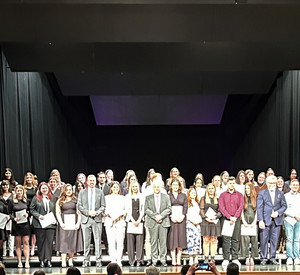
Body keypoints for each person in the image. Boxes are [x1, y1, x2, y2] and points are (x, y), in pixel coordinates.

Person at [257, 175, 287, 265]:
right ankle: (263, 258)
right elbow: (259, 207)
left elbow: (284, 206)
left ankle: (273, 258)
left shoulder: (280, 193)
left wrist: (278, 213)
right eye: (270, 183)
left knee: (274, 240)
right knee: (263, 240)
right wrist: (260, 220)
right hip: (265, 220)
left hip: (276, 220)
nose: (272, 185)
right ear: (267, 183)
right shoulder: (262, 193)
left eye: (274, 183)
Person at [77, 174, 105, 268]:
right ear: (87, 182)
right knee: (86, 241)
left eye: (93, 180)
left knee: (98, 241)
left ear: (95, 181)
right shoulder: (82, 192)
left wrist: (97, 212)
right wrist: (88, 213)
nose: (92, 182)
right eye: (90, 181)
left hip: (97, 219)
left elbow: (103, 206)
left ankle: (98, 260)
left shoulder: (100, 192)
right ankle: (86, 260)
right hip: (86, 219)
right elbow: (79, 205)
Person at [144, 173, 171, 267]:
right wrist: (155, 216)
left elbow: (169, 208)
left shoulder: (166, 196)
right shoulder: (148, 197)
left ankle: (163, 260)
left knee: (163, 242)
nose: (156, 188)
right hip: (152, 222)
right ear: (153, 187)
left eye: (158, 187)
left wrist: (161, 216)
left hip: (163, 222)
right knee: (153, 242)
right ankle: (154, 260)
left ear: (161, 187)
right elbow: (146, 209)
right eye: (155, 187)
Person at [219, 176, 244, 270]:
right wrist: (229, 217)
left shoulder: (239, 195)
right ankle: (226, 258)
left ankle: (235, 258)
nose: (232, 185)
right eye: (230, 183)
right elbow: (222, 208)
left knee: (235, 239)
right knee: (226, 240)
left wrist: (235, 217)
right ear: (227, 184)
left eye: (233, 183)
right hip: (226, 219)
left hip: (236, 219)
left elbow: (240, 206)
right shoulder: (222, 195)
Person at [56, 184, 83, 267]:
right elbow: (58, 212)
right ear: (64, 190)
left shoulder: (76, 200)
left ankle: (70, 259)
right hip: (64, 223)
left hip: (73, 223)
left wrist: (78, 223)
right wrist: (61, 223)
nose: (68, 191)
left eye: (70, 189)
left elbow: (79, 213)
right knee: (64, 241)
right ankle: (63, 260)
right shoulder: (60, 200)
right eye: (67, 189)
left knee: (72, 241)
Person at [30, 182, 56, 267]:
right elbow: (32, 210)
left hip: (50, 224)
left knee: (49, 243)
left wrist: (55, 219)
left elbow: (56, 210)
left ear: (48, 188)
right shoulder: (36, 198)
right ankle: (41, 260)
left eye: (46, 188)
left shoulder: (53, 198)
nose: (44, 190)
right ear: (40, 189)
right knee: (40, 243)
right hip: (39, 224)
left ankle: (48, 260)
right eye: (43, 188)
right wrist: (39, 216)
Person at [8, 185, 30, 268]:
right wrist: (14, 219)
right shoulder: (12, 201)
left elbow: (29, 211)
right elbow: (9, 213)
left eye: (21, 191)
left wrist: (27, 214)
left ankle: (27, 261)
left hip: (25, 225)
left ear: (23, 192)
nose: (19, 192)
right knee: (18, 244)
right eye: (18, 191)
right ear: (15, 192)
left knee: (26, 242)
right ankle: (19, 261)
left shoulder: (26, 201)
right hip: (16, 225)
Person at [104, 181, 126, 266]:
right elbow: (105, 209)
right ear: (111, 188)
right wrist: (111, 216)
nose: (115, 189)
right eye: (114, 187)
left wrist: (118, 216)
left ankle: (119, 259)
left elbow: (125, 209)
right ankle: (113, 259)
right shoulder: (106, 198)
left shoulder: (123, 198)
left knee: (120, 242)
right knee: (111, 242)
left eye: (117, 187)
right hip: (110, 222)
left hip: (120, 222)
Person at [200, 183, 221, 263]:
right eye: (209, 188)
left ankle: (212, 257)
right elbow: (201, 209)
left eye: (212, 188)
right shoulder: (203, 198)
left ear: (214, 190)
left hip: (215, 222)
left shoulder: (218, 199)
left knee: (213, 239)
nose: (211, 190)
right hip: (206, 222)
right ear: (207, 190)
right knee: (206, 239)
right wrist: (206, 218)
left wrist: (215, 217)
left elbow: (220, 210)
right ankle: (206, 257)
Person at [125, 180, 144, 267]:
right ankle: (131, 261)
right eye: (133, 186)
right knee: (130, 242)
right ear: (131, 187)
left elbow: (143, 209)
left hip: (139, 221)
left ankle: (139, 260)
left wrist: (139, 219)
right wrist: (132, 220)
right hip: (130, 221)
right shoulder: (127, 196)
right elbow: (127, 210)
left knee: (140, 242)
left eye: (136, 186)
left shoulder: (142, 196)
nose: (135, 188)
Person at [240, 182, 258, 264]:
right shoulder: (243, 198)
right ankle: (246, 257)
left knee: (254, 240)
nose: (247, 190)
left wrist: (255, 221)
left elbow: (257, 210)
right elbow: (241, 211)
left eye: (248, 188)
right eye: (245, 188)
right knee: (245, 240)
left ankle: (253, 257)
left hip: (253, 221)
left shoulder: (256, 198)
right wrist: (243, 221)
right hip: (245, 221)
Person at [284, 179, 300, 265]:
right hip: (289, 220)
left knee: (297, 240)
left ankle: (297, 257)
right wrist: (294, 215)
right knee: (289, 239)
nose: (295, 186)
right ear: (290, 186)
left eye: (297, 185)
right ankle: (289, 257)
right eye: (293, 185)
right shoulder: (286, 196)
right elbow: (284, 208)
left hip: (299, 220)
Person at [186, 187, 202, 265]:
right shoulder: (187, 203)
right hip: (190, 224)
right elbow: (187, 214)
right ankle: (190, 258)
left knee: (197, 241)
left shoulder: (197, 203)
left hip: (197, 224)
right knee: (191, 241)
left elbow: (198, 214)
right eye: (192, 193)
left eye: (194, 193)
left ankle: (196, 257)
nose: (194, 194)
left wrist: (198, 221)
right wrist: (193, 221)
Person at [23, 172, 38, 257]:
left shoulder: (35, 189)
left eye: (30, 177)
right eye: (27, 177)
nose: (28, 179)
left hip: (33, 209)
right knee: (27, 229)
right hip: (25, 210)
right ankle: (27, 247)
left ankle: (32, 247)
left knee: (33, 231)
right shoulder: (23, 188)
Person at [0, 181, 13, 258]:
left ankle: (11, 252)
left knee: (10, 234)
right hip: (1, 218)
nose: (5, 186)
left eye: (6, 185)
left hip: (9, 216)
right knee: (2, 236)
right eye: (3, 185)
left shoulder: (12, 195)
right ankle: (3, 252)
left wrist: (10, 216)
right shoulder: (0, 195)